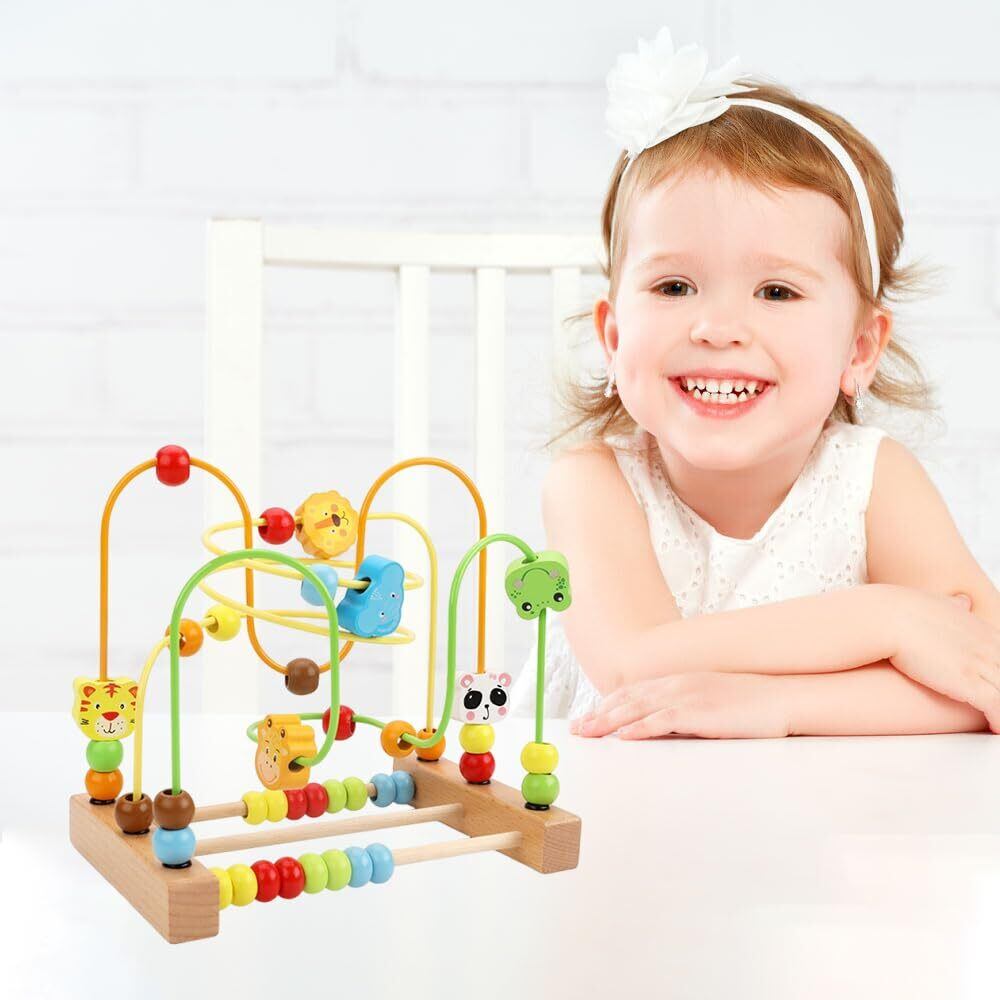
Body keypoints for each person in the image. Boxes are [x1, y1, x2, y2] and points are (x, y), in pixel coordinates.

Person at [509, 27, 1000, 739]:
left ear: (859, 349)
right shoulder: (591, 483)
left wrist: (779, 706)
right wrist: (890, 619)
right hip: (612, 801)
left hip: (816, 803)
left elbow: (981, 678)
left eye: (776, 292)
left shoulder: (873, 482)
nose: (718, 327)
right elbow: (631, 662)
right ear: (613, 338)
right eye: (675, 286)